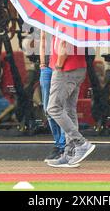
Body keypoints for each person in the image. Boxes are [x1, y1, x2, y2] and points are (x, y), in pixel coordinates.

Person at [46, 36, 95, 168]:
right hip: (77, 68)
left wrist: (58, 65)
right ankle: (70, 153)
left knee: (53, 108)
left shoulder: (63, 19)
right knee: (69, 110)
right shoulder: (74, 19)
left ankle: (80, 143)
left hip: (66, 69)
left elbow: (64, 45)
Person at [39, 30, 66, 162]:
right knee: (48, 109)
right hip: (47, 67)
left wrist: (59, 65)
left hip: (59, 67)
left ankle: (61, 145)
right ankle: (59, 143)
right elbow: (43, 40)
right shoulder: (46, 18)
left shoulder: (63, 20)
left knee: (59, 107)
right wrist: (42, 64)